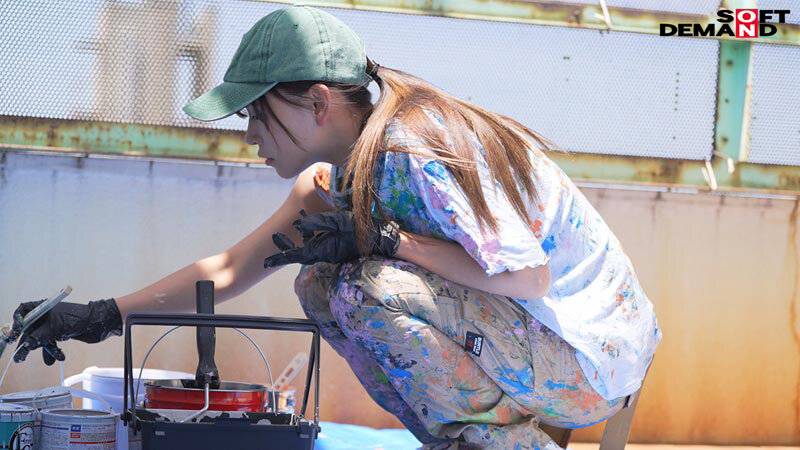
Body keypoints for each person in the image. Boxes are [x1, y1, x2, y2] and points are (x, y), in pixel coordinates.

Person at [11, 6, 662, 449]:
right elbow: (229, 270)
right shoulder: (334, 182)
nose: (250, 136)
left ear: (317, 102)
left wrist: (391, 244)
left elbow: (530, 276)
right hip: (528, 347)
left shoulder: (416, 151)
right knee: (319, 284)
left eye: (255, 113)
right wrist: (97, 316)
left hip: (591, 359)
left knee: (366, 287)